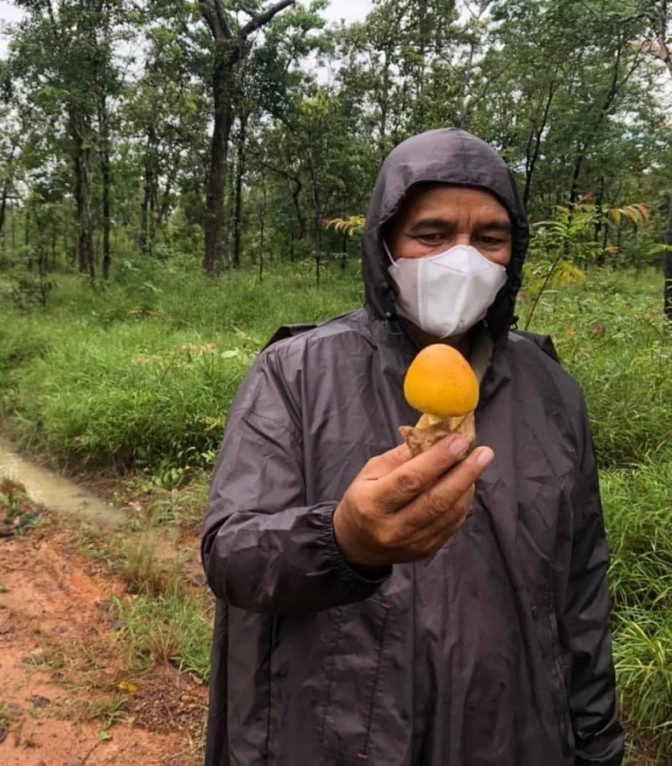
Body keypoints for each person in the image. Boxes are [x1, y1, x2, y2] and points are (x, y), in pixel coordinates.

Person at [201, 128, 623, 765]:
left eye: (490, 238)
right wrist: (342, 541)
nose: (464, 257)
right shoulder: (297, 372)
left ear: (514, 252)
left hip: (508, 732)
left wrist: (597, 744)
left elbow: (581, 589)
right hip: (341, 734)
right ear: (385, 245)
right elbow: (231, 554)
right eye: (432, 234)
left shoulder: (553, 393)